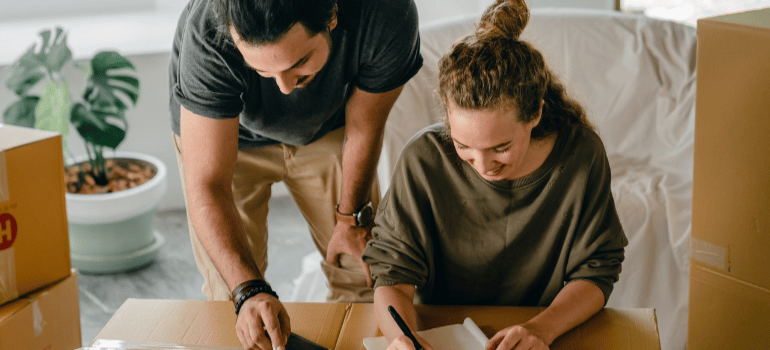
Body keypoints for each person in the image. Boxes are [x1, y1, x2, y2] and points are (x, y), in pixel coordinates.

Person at [361, 1, 628, 349]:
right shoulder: (423, 159)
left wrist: (541, 329)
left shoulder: (581, 155)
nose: (484, 166)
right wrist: (402, 338)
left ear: (534, 114)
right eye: (463, 147)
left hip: (545, 332)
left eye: (500, 147)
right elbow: (392, 277)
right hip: (440, 332)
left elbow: (597, 270)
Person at [167, 0, 422, 349]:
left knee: (362, 275)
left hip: (331, 128)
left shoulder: (386, 12)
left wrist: (350, 219)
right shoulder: (208, 34)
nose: (284, 88)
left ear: (331, 16)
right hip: (227, 138)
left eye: (300, 62)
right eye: (262, 70)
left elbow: (365, 126)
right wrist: (249, 291)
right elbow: (208, 185)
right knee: (232, 299)